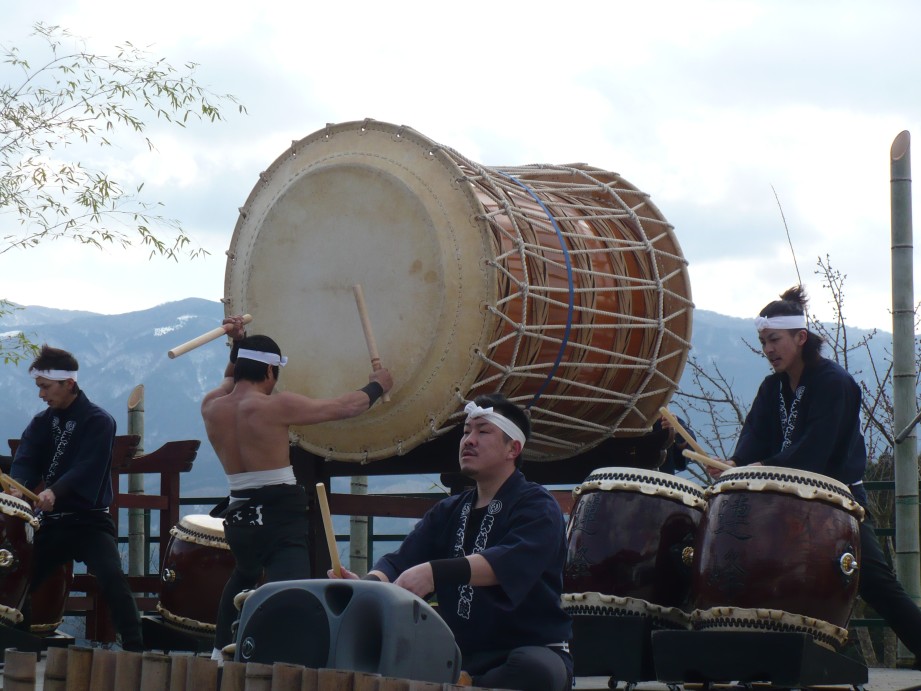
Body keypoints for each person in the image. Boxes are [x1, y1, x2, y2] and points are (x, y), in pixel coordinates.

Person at [711, 286, 921, 665]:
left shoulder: (834, 383)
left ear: (800, 337)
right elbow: (753, 438)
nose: (768, 350)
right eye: (763, 342)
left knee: (877, 585)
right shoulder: (771, 387)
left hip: (838, 505)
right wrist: (734, 463)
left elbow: (814, 451)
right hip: (779, 506)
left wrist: (763, 466)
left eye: (774, 340)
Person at [331, 392, 573, 691]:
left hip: (528, 650)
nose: (469, 440)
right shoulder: (449, 510)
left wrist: (434, 572)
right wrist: (366, 585)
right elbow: (399, 561)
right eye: (466, 431)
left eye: (483, 431)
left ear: (514, 448)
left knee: (535, 671)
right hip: (458, 655)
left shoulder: (538, 505)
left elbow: (508, 561)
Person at [201, 315, 393, 660]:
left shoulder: (212, 406)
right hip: (279, 514)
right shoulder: (277, 405)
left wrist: (237, 342)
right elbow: (346, 407)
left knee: (243, 577)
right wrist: (378, 385)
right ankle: (284, 661)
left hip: (239, 515)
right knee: (289, 592)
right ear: (271, 372)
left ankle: (218, 654)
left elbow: (230, 378)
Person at [8, 345, 144, 650]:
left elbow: (89, 467)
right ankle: (20, 645)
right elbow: (26, 459)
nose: (41, 395)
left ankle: (135, 648)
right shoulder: (42, 423)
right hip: (51, 522)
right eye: (39, 388)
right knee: (21, 578)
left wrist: (55, 491)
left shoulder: (99, 420)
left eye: (45, 388)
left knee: (111, 577)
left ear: (68, 383)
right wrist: (19, 486)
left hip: (89, 521)